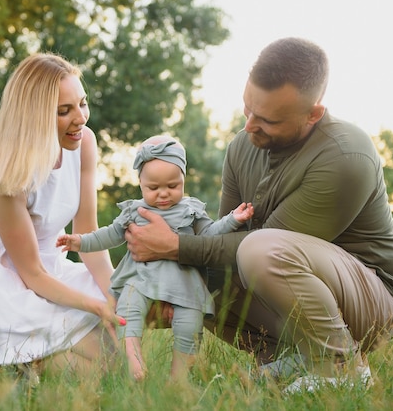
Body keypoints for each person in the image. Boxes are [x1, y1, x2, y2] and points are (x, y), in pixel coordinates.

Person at [123, 37, 393, 394]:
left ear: (313, 115)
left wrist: (174, 247)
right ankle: (288, 362)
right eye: (247, 110)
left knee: (259, 249)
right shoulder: (241, 146)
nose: (249, 127)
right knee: (174, 280)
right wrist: (165, 285)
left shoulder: (346, 156)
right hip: (287, 289)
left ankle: (341, 369)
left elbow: (256, 245)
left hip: (371, 304)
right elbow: (220, 243)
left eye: (268, 119)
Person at [0, 53, 126, 392]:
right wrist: (94, 305)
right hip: (5, 276)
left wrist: (113, 295)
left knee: (113, 359)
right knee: (88, 371)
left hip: (52, 265)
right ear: (34, 116)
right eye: (64, 111)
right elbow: (31, 273)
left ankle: (29, 364)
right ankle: (4, 367)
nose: (81, 119)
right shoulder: (4, 168)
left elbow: (87, 233)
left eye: (82, 103)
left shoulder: (83, 142)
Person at [56, 136, 254, 382]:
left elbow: (209, 235)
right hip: (140, 276)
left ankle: (179, 379)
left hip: (183, 281)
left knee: (189, 323)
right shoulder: (134, 211)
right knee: (128, 306)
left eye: (173, 186)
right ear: (141, 184)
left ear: (183, 179)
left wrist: (233, 219)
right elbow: (109, 235)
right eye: (153, 188)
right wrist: (80, 241)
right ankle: (133, 353)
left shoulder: (191, 209)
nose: (163, 194)